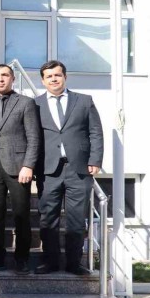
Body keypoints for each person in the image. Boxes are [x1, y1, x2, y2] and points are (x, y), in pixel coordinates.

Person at [34, 60, 104, 275]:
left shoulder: (84, 101)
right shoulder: (35, 104)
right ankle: (50, 262)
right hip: (48, 170)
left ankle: (74, 263)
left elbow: (95, 132)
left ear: (65, 77)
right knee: (48, 219)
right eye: (49, 76)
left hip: (79, 169)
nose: (54, 79)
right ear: (43, 81)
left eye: (57, 75)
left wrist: (95, 160)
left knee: (76, 220)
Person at [0, 64, 41, 275]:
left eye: (5, 75)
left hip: (18, 167)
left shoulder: (26, 103)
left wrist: (28, 165)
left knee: (21, 215)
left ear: (13, 78)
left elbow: (33, 137)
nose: (1, 79)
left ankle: (21, 258)